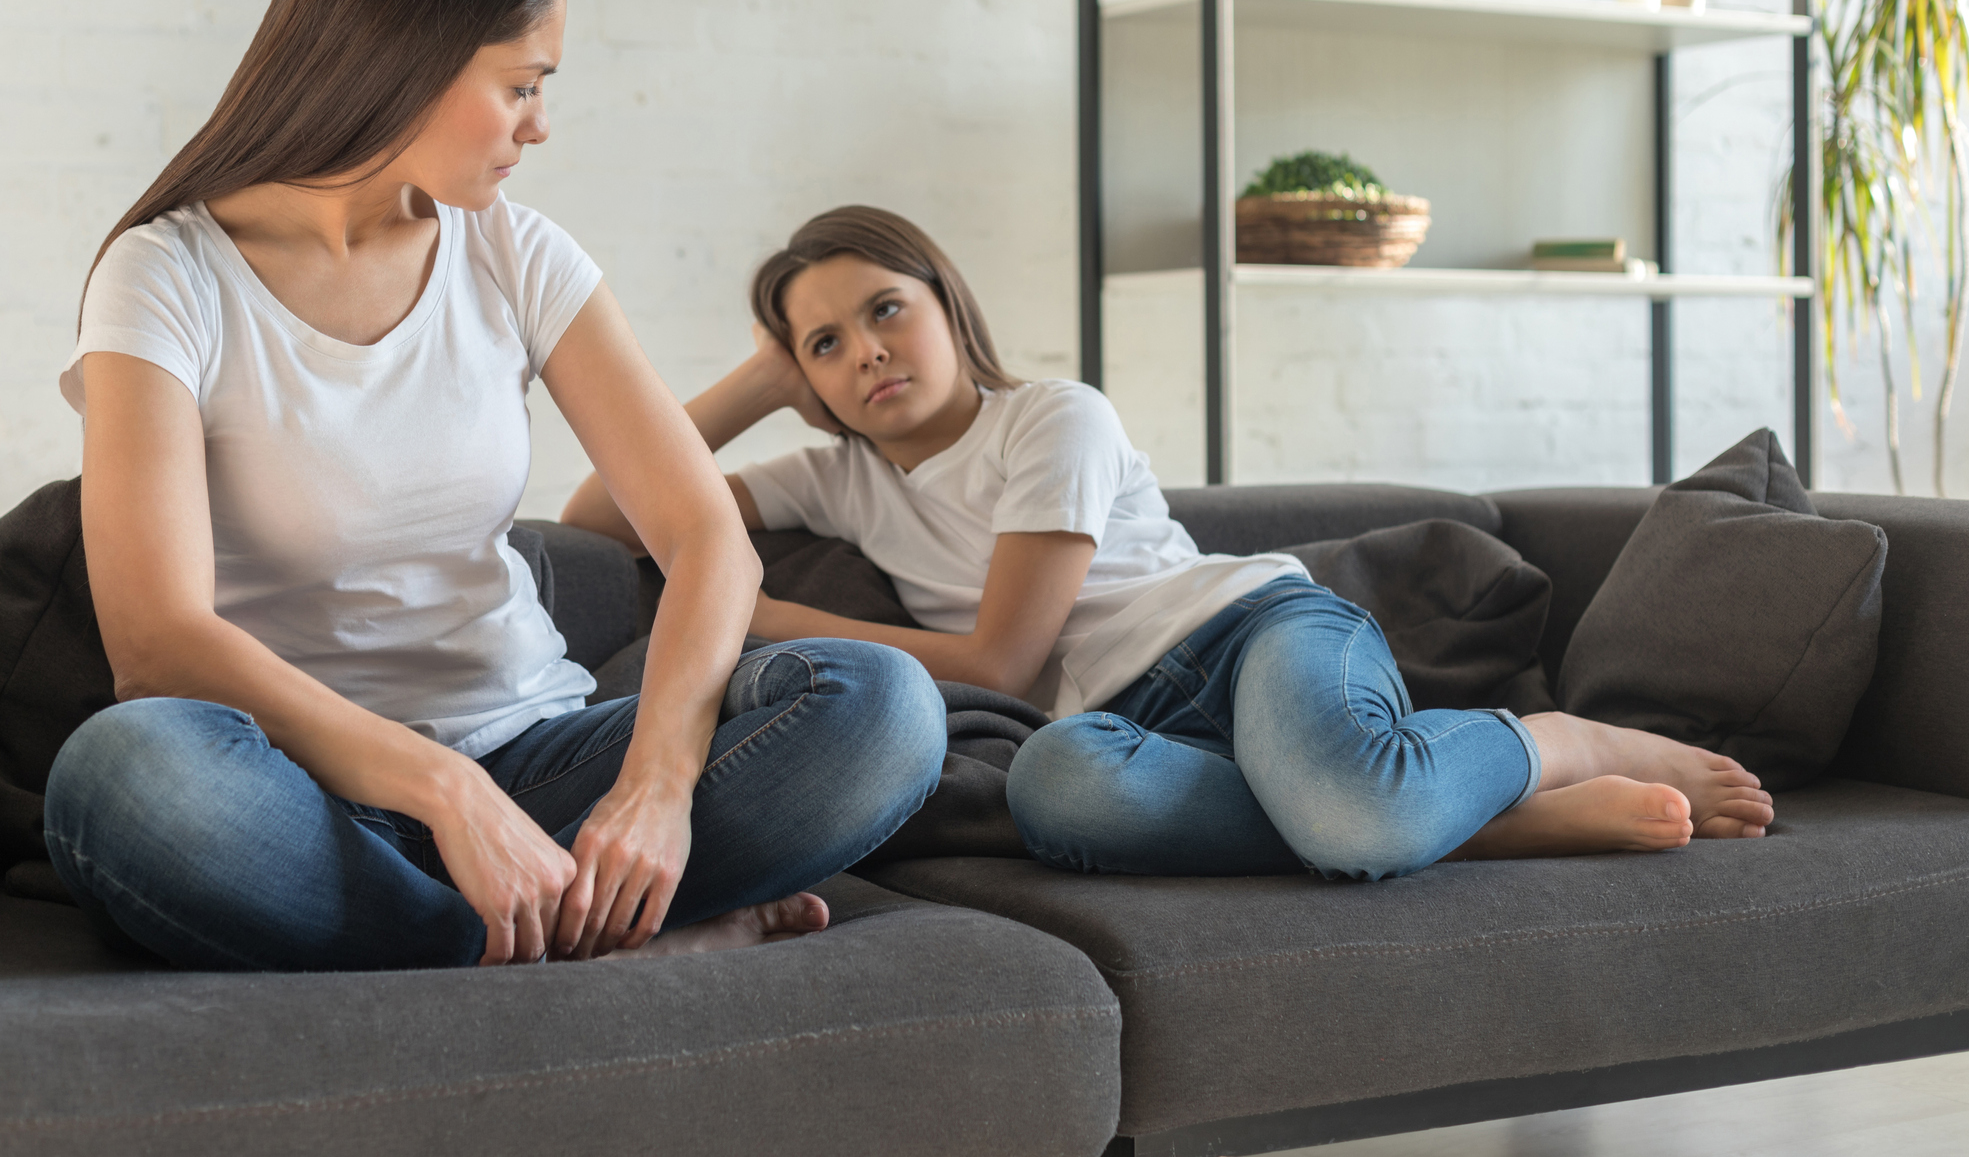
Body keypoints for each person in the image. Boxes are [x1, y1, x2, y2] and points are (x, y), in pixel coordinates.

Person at [43, 0, 946, 972]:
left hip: (539, 759)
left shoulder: (518, 253)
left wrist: (658, 787)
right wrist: (445, 792)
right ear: (405, 57)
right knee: (122, 778)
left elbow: (706, 532)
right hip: (302, 790)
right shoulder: (165, 276)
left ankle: (490, 928)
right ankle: (594, 936)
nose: (540, 124)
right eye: (522, 84)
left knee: (883, 707)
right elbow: (156, 640)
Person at [562, 206, 1777, 881]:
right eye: (824, 344)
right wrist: (759, 381)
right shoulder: (828, 480)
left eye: (886, 308)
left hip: (1250, 635)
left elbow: (998, 662)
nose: (865, 349)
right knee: (1054, 788)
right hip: (1123, 724)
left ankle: (1552, 746)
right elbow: (593, 516)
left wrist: (753, 617)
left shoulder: (1053, 418)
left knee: (1346, 806)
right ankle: (1466, 822)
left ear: (947, 303)